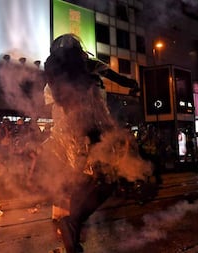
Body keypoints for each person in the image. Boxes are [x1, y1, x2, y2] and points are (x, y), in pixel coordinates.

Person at [43, 33, 148, 253]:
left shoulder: (52, 74)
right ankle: (73, 222)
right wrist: (133, 84)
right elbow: (118, 78)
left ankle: (71, 231)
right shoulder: (88, 64)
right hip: (88, 130)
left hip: (63, 136)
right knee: (106, 179)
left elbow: (53, 106)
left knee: (77, 183)